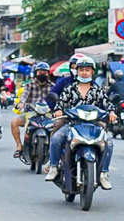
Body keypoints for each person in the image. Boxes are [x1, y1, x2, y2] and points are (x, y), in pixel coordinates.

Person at [45, 55, 118, 189]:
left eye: (87, 70)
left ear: (92, 72)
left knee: (109, 143)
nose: (84, 73)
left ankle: (103, 174)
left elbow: (108, 104)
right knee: (56, 138)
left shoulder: (97, 90)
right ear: (77, 71)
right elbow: (60, 104)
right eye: (82, 70)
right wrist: (59, 111)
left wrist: (112, 113)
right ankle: (54, 167)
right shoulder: (69, 89)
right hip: (72, 124)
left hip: (94, 125)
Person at [11, 62, 53, 160]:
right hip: (31, 114)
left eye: (44, 72)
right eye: (40, 72)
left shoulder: (53, 86)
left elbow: (57, 98)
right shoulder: (30, 85)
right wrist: (21, 103)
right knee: (14, 122)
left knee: (57, 128)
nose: (42, 74)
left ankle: (52, 149)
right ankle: (19, 145)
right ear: (35, 73)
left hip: (47, 116)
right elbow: (24, 96)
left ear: (48, 74)